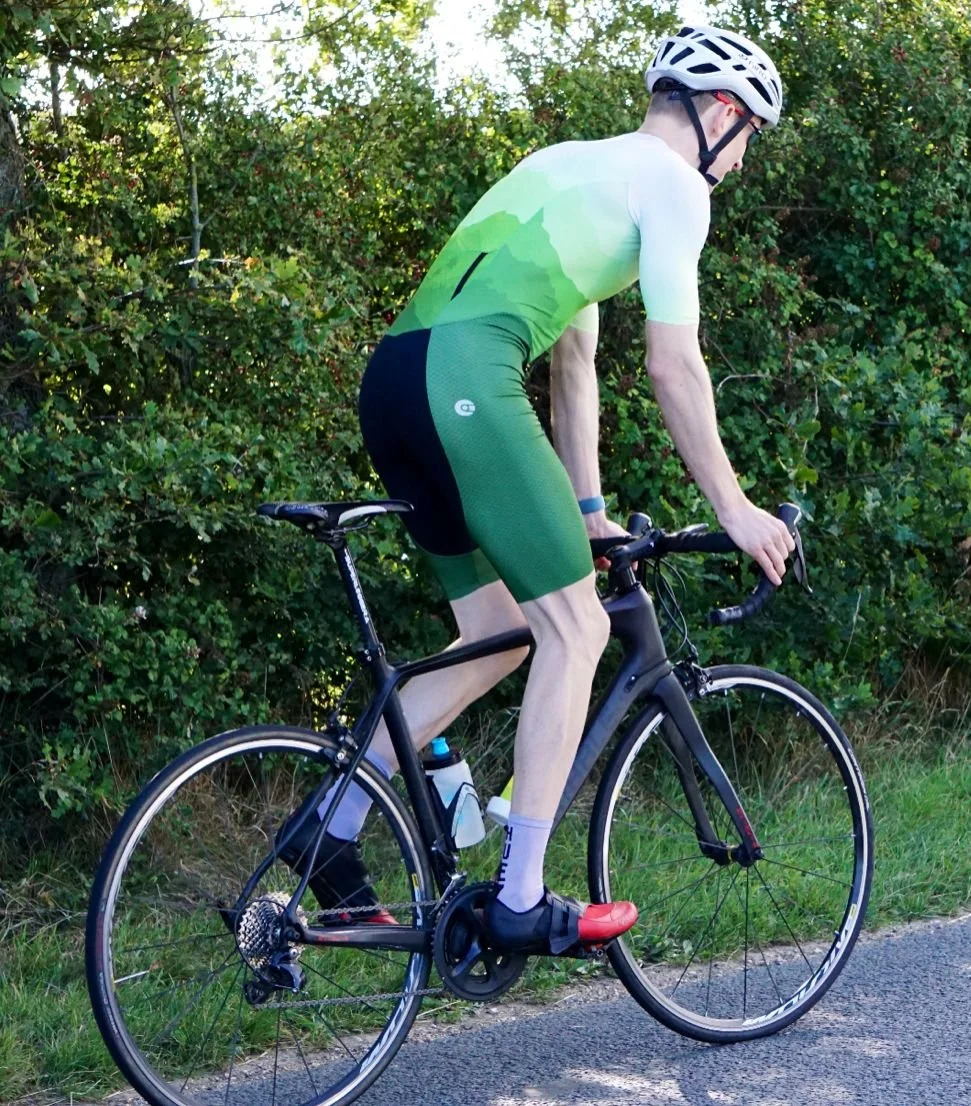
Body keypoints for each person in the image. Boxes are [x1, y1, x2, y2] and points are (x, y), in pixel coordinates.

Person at [281, 25, 795, 953]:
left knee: (497, 637)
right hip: (464, 380)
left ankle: (328, 828)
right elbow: (675, 366)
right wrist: (736, 507)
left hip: (395, 381)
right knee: (580, 627)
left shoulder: (573, 165)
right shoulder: (676, 188)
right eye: (751, 134)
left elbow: (575, 366)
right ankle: (521, 897)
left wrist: (590, 514)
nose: (744, 159)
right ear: (721, 112)